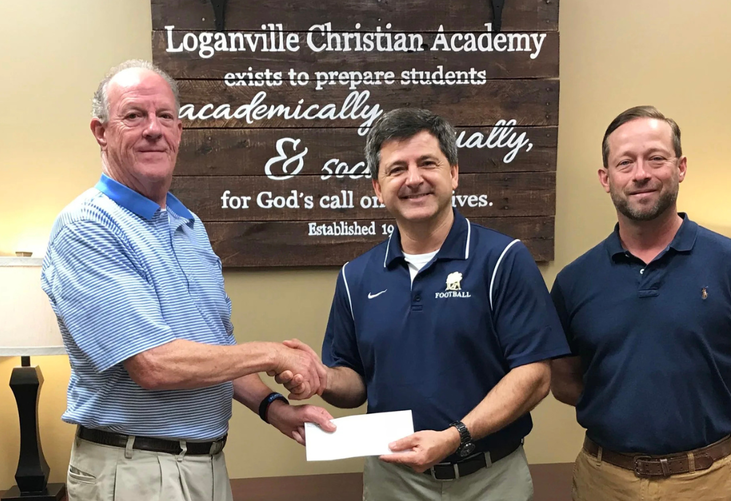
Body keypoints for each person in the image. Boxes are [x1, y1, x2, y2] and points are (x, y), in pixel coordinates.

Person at [41, 59, 335, 501]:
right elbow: (155, 364)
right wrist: (272, 354)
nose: (153, 129)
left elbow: (214, 353)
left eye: (165, 116)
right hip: (136, 472)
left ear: (180, 131)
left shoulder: (188, 225)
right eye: (134, 115)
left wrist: (272, 408)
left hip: (206, 466)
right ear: (101, 132)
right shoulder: (88, 227)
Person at [275, 108, 570, 500]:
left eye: (427, 163)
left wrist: (455, 436)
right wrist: (324, 379)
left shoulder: (503, 259)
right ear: (377, 188)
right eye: (397, 169)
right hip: (392, 481)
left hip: (490, 478)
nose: (413, 179)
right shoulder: (356, 277)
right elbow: (355, 383)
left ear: (454, 173)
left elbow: (535, 375)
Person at [550, 105, 731, 501]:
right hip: (604, 482)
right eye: (625, 162)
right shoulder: (574, 281)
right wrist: (621, 411)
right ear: (606, 178)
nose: (640, 174)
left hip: (707, 482)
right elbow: (563, 382)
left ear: (680, 167)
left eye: (656, 158)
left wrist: (704, 415)